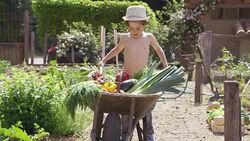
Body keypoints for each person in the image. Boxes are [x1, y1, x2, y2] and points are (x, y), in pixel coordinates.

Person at [99, 5, 168, 141]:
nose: (134, 31)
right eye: (131, 29)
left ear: (144, 25)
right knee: (126, 107)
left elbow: (159, 50)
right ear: (127, 27)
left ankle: (149, 134)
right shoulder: (125, 38)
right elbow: (117, 50)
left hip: (143, 79)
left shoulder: (149, 37)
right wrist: (104, 60)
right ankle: (125, 134)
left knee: (145, 108)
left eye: (138, 28)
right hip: (127, 78)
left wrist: (166, 66)